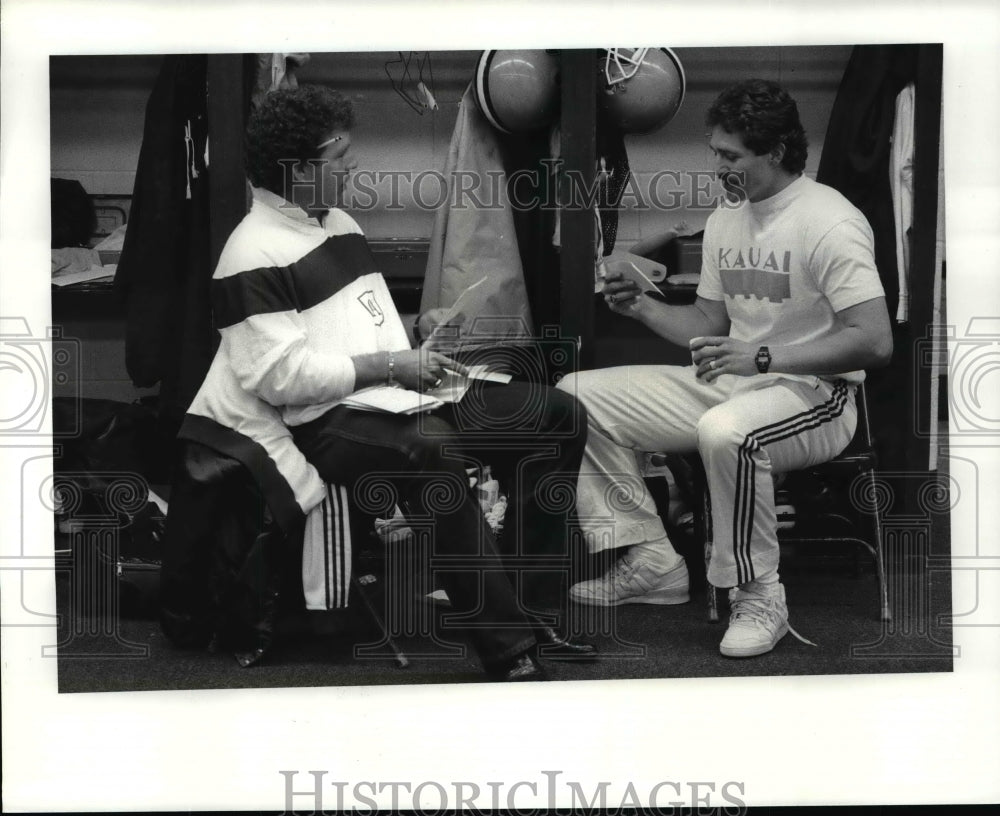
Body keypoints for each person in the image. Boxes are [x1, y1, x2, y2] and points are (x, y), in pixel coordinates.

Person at [161, 85, 593, 681]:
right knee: (434, 451)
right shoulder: (250, 252)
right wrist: (394, 367)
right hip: (318, 422)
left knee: (556, 417)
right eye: (339, 160)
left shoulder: (337, 222)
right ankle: (507, 645)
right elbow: (280, 378)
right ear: (297, 170)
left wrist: (418, 333)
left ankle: (530, 606)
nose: (352, 168)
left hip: (387, 394)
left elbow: (358, 329)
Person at [557, 78, 893, 658]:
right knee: (574, 395)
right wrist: (640, 306)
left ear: (777, 152)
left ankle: (760, 595)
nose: (717, 166)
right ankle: (653, 561)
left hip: (817, 396)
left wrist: (764, 356)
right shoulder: (727, 217)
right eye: (715, 150)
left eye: (730, 155)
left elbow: (874, 341)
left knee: (728, 432)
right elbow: (706, 325)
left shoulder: (831, 222)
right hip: (735, 382)